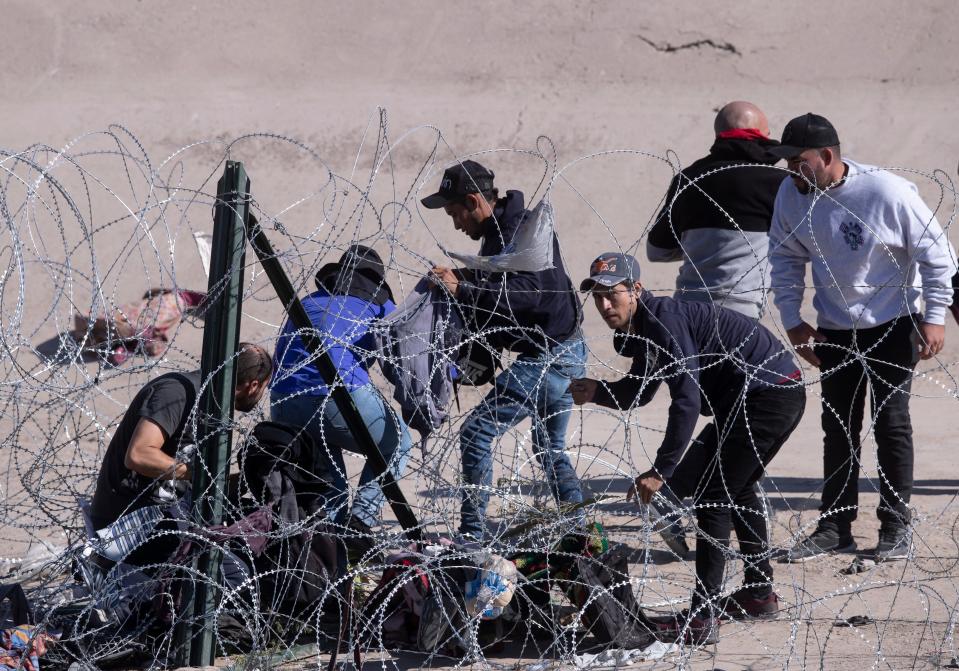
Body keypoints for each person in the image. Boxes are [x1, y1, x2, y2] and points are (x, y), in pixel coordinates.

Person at [570, 252, 805, 643]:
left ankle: (702, 616)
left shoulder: (663, 320)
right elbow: (639, 392)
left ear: (637, 290)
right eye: (597, 297)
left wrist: (661, 471)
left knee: (715, 496)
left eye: (612, 294)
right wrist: (598, 391)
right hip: (757, 397)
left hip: (768, 395)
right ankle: (759, 594)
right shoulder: (646, 326)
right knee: (736, 488)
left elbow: (687, 401)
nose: (605, 305)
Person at [767, 113, 954, 563]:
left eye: (797, 161)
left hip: (894, 322)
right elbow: (785, 258)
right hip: (834, 327)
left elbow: (937, 256)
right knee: (838, 427)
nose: (790, 170)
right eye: (786, 162)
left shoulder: (885, 192)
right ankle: (835, 526)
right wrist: (793, 320)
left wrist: (934, 318)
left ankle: (894, 525)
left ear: (827, 156)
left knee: (891, 424)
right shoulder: (792, 195)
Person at [422, 160, 586, 541]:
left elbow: (532, 296)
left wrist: (463, 289)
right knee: (549, 449)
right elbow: (501, 286)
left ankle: (472, 535)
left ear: (474, 201)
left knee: (476, 432)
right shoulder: (501, 236)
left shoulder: (523, 230)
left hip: (551, 356)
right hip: (562, 350)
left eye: (455, 212)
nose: (455, 223)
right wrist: (462, 279)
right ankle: (578, 528)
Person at [88, 343, 272, 582]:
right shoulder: (178, 392)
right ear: (253, 385)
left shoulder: (213, 405)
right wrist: (199, 474)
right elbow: (139, 455)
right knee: (233, 575)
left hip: (165, 516)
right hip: (130, 523)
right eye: (264, 388)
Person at [270, 244, 412, 544]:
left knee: (330, 488)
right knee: (398, 442)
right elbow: (403, 355)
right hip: (335, 392)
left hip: (283, 399)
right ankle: (361, 522)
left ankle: (331, 557)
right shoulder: (378, 303)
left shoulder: (309, 300)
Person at [647, 101, 782, 319]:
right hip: (741, 311)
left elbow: (657, 251)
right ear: (761, 136)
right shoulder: (779, 184)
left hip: (686, 309)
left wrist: (702, 245)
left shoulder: (690, 179)